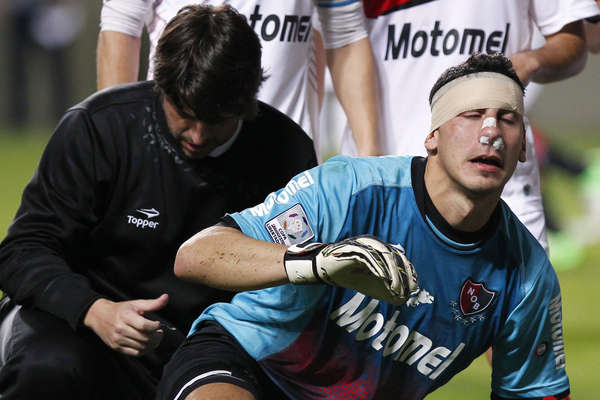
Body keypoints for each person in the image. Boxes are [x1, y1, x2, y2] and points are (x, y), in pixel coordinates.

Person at [157, 53, 571, 400]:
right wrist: (318, 262)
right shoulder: (352, 187)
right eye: (472, 115)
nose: (491, 133)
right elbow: (196, 256)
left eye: (507, 119)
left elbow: (536, 392)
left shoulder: (528, 276)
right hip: (249, 364)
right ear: (432, 137)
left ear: (522, 147)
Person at [0, 5, 317, 399]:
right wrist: (94, 310)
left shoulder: (287, 154)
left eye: (216, 120)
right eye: (185, 114)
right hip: (84, 321)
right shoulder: (99, 127)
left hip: (207, 345)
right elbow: (22, 250)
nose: (198, 135)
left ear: (246, 103)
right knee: (45, 366)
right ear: (161, 86)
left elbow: (292, 290)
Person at [332, 0, 600, 252]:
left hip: (503, 189)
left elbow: (576, 42)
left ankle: (578, 173)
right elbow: (337, 36)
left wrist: (528, 62)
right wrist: (368, 164)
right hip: (385, 178)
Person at [97, 0, 382, 159]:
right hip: (174, 150)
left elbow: (344, 33)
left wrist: (369, 153)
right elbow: (121, 27)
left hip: (279, 162)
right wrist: (120, 144)